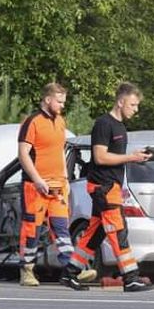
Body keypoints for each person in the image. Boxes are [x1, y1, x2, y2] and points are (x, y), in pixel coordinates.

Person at [69, 83, 154, 292]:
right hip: (104, 187)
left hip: (111, 187)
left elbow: (113, 156)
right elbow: (100, 157)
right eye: (133, 105)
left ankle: (70, 272)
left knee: (95, 233)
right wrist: (131, 157)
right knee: (118, 232)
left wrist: (134, 155)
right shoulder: (103, 124)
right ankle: (131, 277)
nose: (135, 110)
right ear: (120, 102)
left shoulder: (120, 127)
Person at [17, 83, 93, 289]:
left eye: (63, 102)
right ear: (47, 99)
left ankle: (71, 269)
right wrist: (37, 179)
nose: (61, 105)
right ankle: (27, 270)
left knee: (61, 228)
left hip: (58, 184)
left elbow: (60, 151)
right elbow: (23, 154)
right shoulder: (32, 122)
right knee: (31, 229)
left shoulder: (60, 121)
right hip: (35, 186)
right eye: (59, 101)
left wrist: (65, 179)